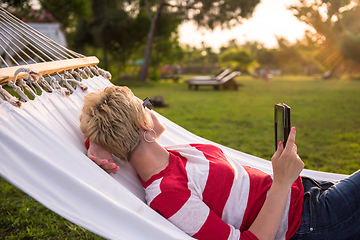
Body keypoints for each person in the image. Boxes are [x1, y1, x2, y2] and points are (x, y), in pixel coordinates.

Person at [80, 86, 360, 240]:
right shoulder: (169, 195)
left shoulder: (176, 154)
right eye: (146, 106)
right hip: (310, 221)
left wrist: (95, 141)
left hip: (308, 194)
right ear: (143, 123)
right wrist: (283, 181)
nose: (150, 108)